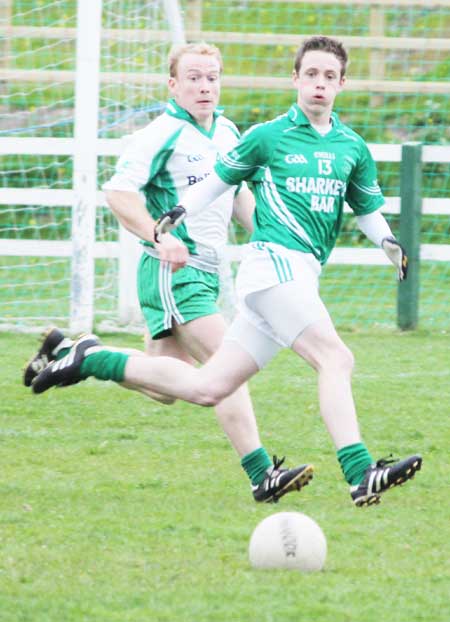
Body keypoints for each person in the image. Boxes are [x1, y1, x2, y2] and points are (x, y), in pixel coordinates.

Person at [29, 36, 422, 507]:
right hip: (234, 267)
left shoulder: (318, 142)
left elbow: (341, 205)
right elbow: (176, 186)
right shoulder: (239, 134)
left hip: (258, 271)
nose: (204, 86)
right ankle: (354, 473)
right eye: (193, 78)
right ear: (295, 78)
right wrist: (165, 227)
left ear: (342, 83)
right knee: (336, 358)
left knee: (202, 385)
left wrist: (387, 241)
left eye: (211, 78)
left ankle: (88, 357)